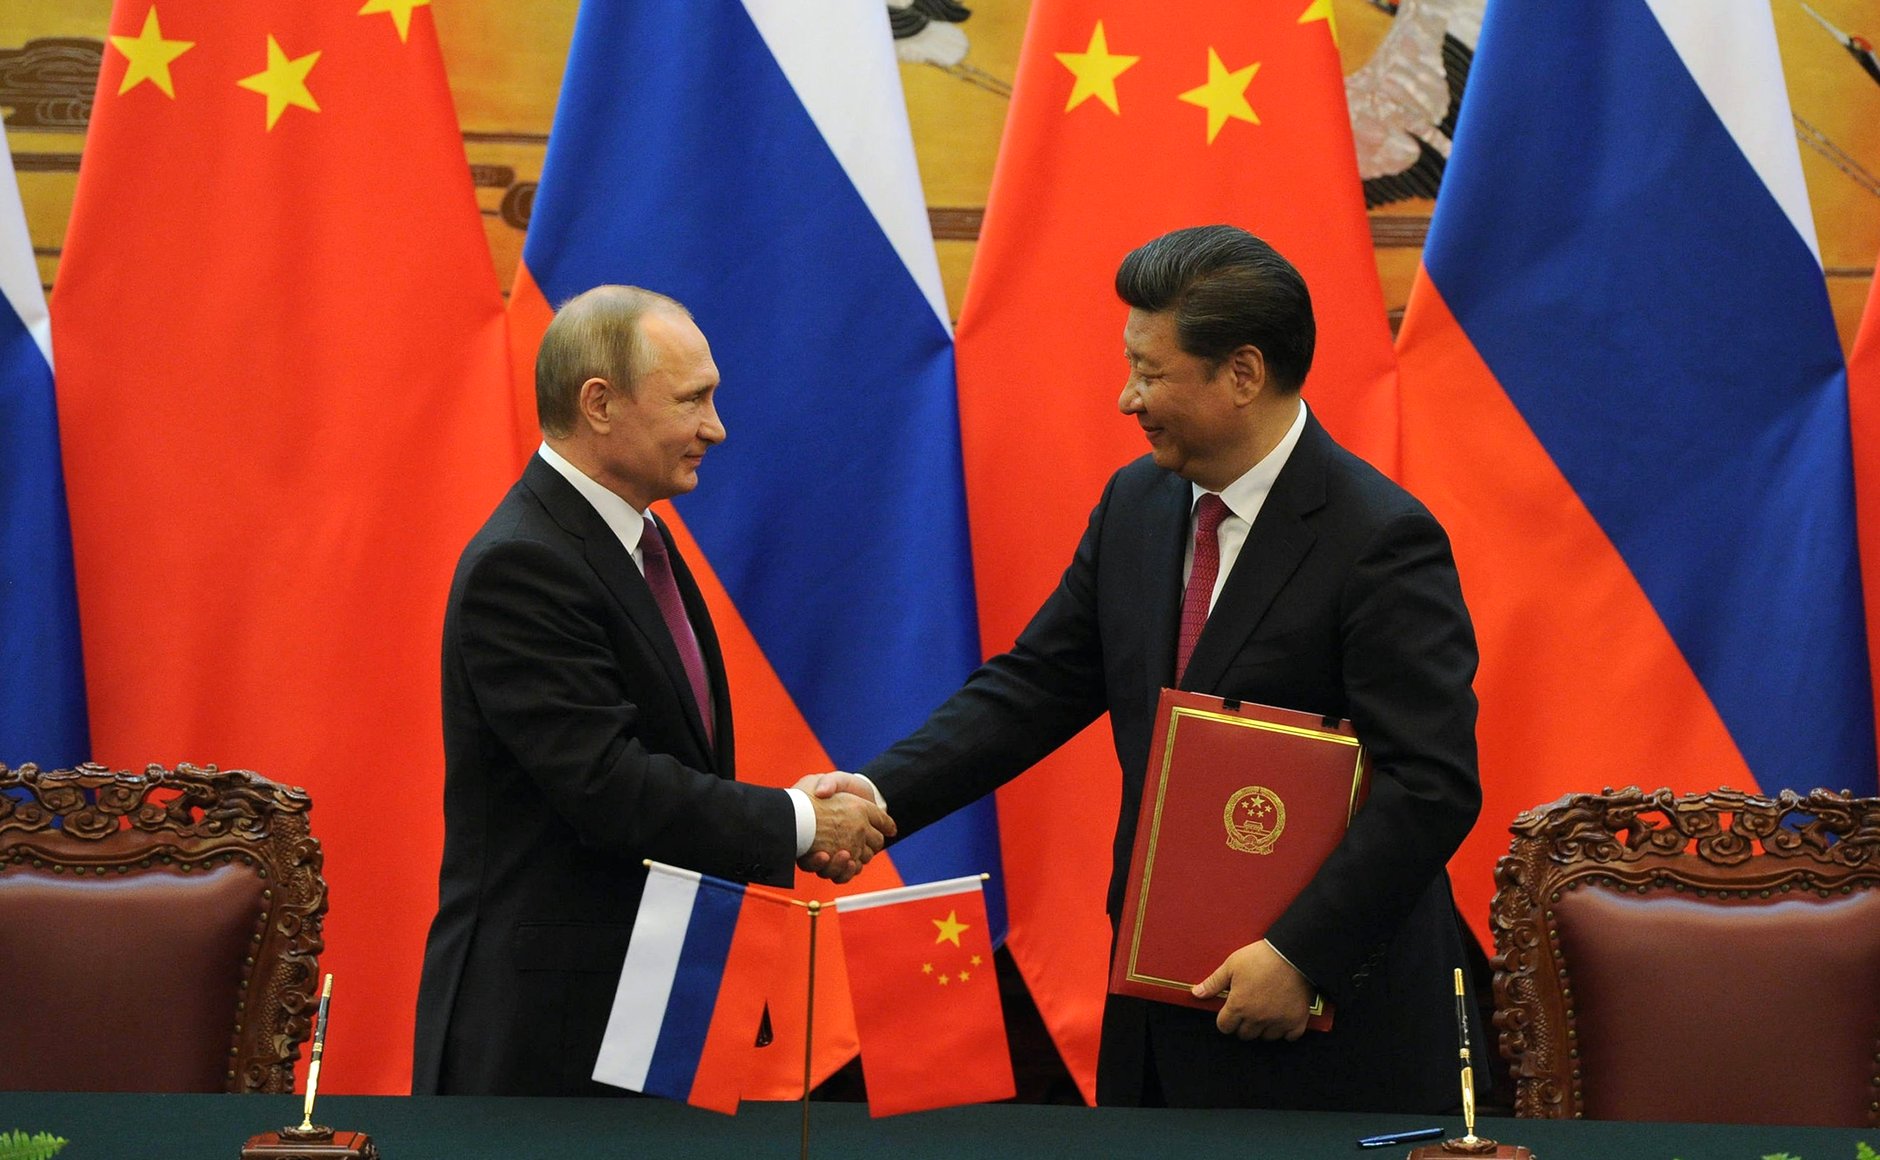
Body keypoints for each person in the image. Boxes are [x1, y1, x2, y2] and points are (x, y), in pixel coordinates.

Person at [847, 226, 1481, 1111]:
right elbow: (1036, 685)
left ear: (1243, 374)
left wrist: (1303, 954)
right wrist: (878, 798)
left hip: (1324, 1026)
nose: (1125, 399)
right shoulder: (1137, 504)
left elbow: (1432, 784)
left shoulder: (1380, 540)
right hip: (1157, 1004)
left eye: (1149, 373)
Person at [412, 286, 892, 1096]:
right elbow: (606, 786)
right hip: (553, 1032)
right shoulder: (523, 564)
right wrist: (798, 822)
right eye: (692, 399)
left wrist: (782, 806)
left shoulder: (638, 537)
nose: (716, 426)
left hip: (661, 1002)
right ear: (599, 404)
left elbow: (669, 757)